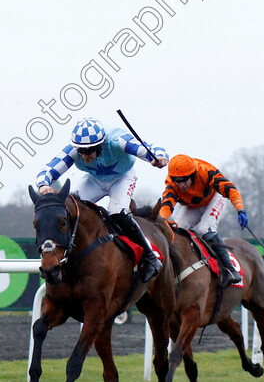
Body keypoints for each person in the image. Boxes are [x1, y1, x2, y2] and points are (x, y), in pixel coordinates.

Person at [35, 117, 169, 282]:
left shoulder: (117, 140)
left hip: (123, 178)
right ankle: (65, 257)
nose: (85, 156)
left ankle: (150, 256)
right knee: (68, 209)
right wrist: (43, 185)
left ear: (100, 145)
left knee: (116, 213)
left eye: (89, 151)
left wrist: (158, 158)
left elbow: (150, 148)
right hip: (94, 180)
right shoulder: (74, 150)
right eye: (81, 151)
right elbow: (49, 169)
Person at [158, 154, 247, 287]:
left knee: (204, 229)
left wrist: (240, 209)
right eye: (177, 181)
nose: (181, 185)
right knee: (179, 231)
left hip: (214, 199)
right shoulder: (171, 183)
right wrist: (160, 220)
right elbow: (167, 206)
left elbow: (230, 189)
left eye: (184, 180)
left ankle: (230, 270)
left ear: (193, 175)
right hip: (192, 206)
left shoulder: (205, 171)